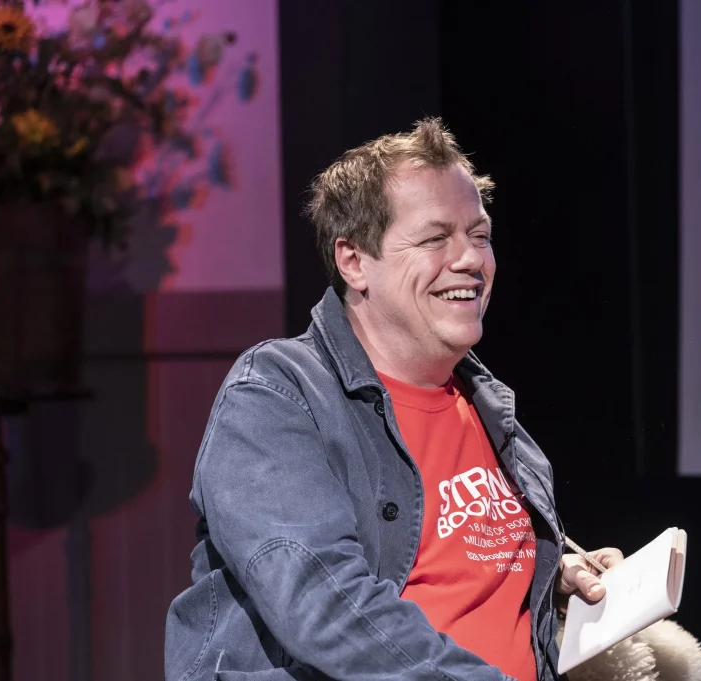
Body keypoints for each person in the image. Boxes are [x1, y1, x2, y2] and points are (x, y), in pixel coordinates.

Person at [164, 118, 623, 681]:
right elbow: (325, 605)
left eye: (479, 235)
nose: (471, 260)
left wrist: (549, 579)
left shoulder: (483, 402)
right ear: (354, 261)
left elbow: (453, 574)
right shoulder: (275, 394)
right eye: (435, 239)